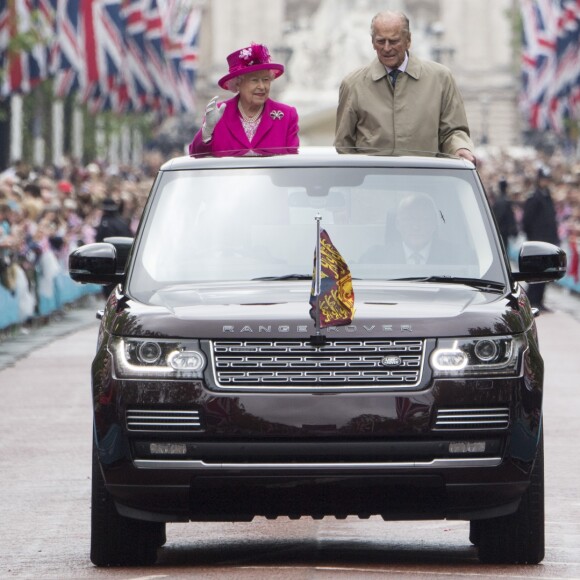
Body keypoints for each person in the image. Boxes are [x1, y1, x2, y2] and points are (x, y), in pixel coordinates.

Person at [334, 11, 475, 162]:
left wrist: (460, 148)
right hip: (373, 183)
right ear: (372, 42)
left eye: (394, 41)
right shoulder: (353, 84)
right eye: (381, 41)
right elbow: (344, 145)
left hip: (425, 180)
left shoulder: (441, 78)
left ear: (408, 40)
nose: (387, 48)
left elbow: (453, 131)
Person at [189, 43, 299, 157]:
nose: (262, 86)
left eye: (266, 80)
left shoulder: (287, 115)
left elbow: (292, 163)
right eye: (254, 80)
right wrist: (207, 131)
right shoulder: (218, 114)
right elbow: (196, 156)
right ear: (238, 84)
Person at [362, 193, 459, 265]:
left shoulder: (456, 258)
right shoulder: (374, 258)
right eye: (409, 220)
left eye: (423, 220)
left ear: (434, 224)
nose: (416, 227)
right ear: (397, 224)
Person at [522, 167, 560, 312]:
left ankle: (540, 300)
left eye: (547, 179)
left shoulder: (547, 196)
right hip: (537, 240)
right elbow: (527, 220)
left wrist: (554, 238)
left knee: (546, 272)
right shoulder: (534, 196)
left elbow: (552, 219)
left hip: (548, 240)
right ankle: (532, 300)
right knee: (535, 272)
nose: (545, 182)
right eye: (543, 179)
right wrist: (532, 238)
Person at [492, 177, 518, 250]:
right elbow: (510, 218)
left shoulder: (497, 201)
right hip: (504, 231)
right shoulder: (506, 201)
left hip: (498, 230)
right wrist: (514, 230)